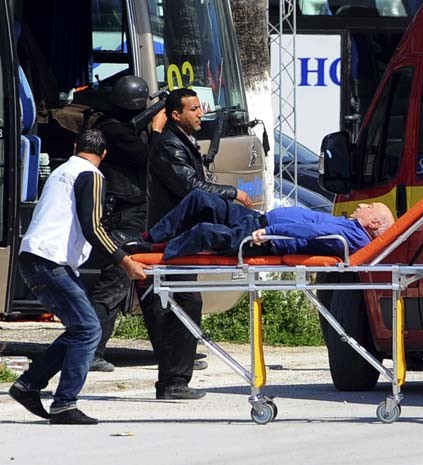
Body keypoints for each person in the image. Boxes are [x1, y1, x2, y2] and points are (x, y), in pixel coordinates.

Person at [9, 129, 149, 425]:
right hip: (49, 260)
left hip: (34, 257)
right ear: (105, 154)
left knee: (80, 329)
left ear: (75, 147)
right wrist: (125, 261)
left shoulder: (62, 171)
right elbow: (93, 228)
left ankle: (29, 385)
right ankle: (64, 404)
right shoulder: (92, 175)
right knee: (89, 329)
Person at [141, 88, 252, 400]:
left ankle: (173, 382)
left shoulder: (182, 141)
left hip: (183, 237)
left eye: (199, 108)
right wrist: (231, 193)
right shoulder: (168, 146)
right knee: (183, 304)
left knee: (182, 304)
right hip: (174, 238)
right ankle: (173, 382)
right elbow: (190, 187)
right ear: (176, 115)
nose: (200, 113)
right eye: (192, 109)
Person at [87, 75, 166, 372]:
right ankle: (91, 351)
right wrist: (156, 131)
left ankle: (169, 353)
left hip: (137, 214)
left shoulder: (116, 127)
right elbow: (150, 160)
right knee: (114, 285)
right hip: (124, 216)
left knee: (152, 287)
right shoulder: (114, 131)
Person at [133, 189, 395, 260]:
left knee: (204, 232)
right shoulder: (350, 227)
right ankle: (151, 235)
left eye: (368, 207)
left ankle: (155, 250)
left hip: (263, 240)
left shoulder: (351, 236)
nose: (361, 206)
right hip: (258, 221)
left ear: (372, 222)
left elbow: (313, 231)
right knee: (201, 199)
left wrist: (270, 231)